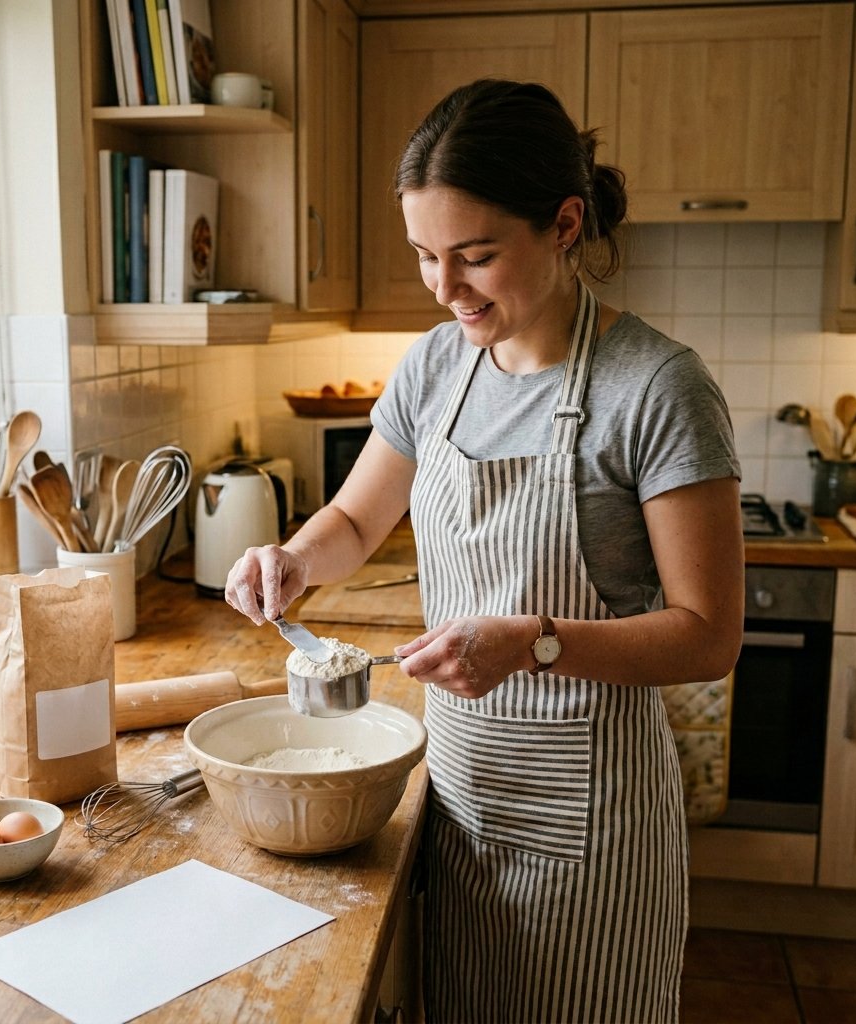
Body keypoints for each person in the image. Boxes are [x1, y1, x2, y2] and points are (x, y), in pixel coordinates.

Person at [226, 79, 744, 1023]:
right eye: (425, 256)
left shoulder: (658, 388)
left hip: (592, 828)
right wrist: (294, 556)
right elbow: (353, 521)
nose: (444, 287)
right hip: (460, 801)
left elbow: (707, 637)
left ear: (564, 223)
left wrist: (534, 640)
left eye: (473, 256)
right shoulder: (434, 364)